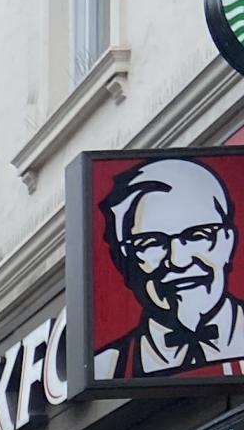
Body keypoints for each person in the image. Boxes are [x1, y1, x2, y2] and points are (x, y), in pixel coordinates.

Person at [93, 155, 244, 380]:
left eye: (198, 235)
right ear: (125, 258)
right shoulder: (105, 369)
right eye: (152, 242)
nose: (178, 261)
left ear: (228, 241)